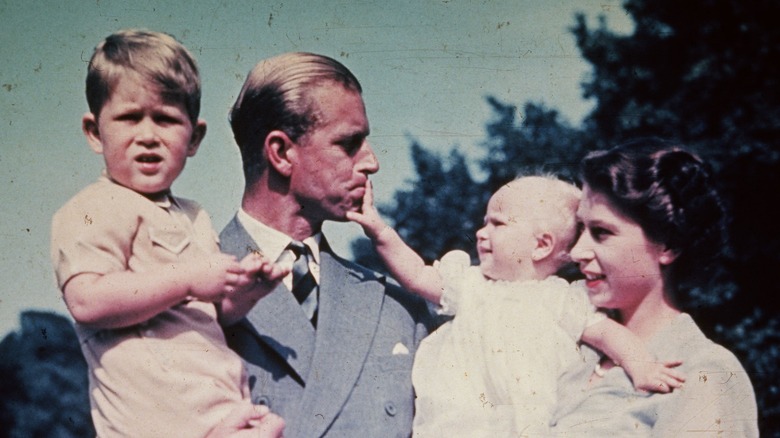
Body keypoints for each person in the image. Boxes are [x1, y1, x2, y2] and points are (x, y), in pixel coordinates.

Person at [50, 29, 285, 438]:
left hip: (219, 409)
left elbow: (210, 312)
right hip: (154, 424)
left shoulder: (193, 216)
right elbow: (87, 301)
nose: (147, 136)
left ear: (193, 137)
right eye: (128, 118)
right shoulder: (90, 209)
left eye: (166, 119)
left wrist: (244, 292)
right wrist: (189, 278)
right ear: (94, 131)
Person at [348, 175, 685, 436]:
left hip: (531, 424)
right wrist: (381, 233)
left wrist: (641, 365)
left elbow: (609, 334)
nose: (481, 233)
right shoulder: (471, 284)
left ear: (541, 245)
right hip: (460, 425)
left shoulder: (562, 299)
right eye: (485, 222)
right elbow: (418, 275)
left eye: (497, 223)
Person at [219, 52, 433, 438]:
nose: (371, 162)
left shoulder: (401, 310)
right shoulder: (182, 296)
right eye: (349, 144)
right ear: (282, 152)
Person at [550, 138, 759, 436]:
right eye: (581, 229)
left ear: (667, 245)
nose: (577, 252)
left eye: (601, 232)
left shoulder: (705, 373)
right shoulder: (570, 349)